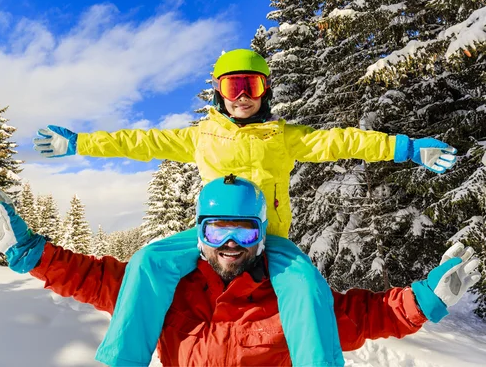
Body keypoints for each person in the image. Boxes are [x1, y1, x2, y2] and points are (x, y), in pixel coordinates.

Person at [31, 49, 458, 366]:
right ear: (218, 92)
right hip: (209, 236)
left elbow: (343, 140)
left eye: (250, 86)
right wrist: (81, 143)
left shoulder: (284, 137)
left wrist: (405, 147)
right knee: (145, 263)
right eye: (231, 86)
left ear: (264, 90)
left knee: (307, 289)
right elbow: (140, 142)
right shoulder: (201, 137)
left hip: (267, 240)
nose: (241, 97)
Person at [0, 177, 481, 367]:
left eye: (243, 233)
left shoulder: (291, 299)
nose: (231, 246)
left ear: (262, 234)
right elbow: (88, 276)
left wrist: (425, 298)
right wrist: (30, 252)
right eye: (218, 232)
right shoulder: (165, 289)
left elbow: (367, 314)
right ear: (199, 233)